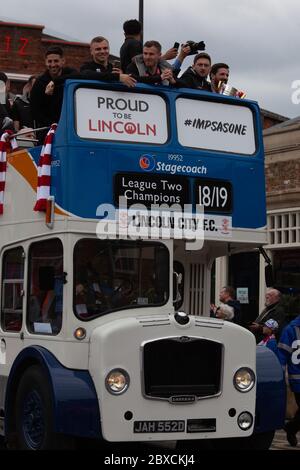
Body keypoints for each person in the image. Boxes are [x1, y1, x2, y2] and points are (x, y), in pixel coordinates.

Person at [30, 46, 76, 142]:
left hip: (71, 129)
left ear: (63, 61)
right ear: (45, 62)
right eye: (49, 61)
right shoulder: (39, 83)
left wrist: (55, 82)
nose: (53, 64)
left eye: (56, 61)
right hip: (47, 131)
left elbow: (80, 75)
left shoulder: (71, 74)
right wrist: (54, 125)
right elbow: (35, 111)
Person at [277, 314, 300, 447]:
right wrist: (279, 376)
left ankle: (291, 428)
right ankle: (291, 428)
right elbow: (282, 355)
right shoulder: (290, 329)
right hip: (298, 380)